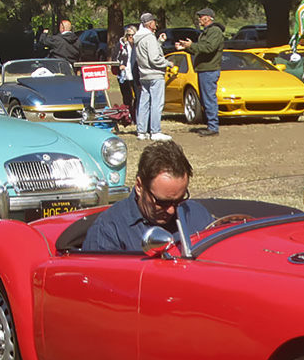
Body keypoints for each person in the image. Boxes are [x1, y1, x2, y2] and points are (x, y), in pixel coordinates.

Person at [83, 140, 213, 253]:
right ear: (140, 186)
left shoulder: (197, 215)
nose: (172, 210)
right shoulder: (109, 230)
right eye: (162, 202)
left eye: (179, 200)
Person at [176, 7, 223, 137]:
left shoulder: (215, 31)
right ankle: (210, 125)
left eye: (201, 17)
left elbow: (209, 48)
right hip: (204, 69)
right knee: (205, 99)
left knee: (209, 99)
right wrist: (186, 48)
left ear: (207, 18)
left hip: (209, 70)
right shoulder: (207, 32)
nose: (199, 19)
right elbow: (200, 50)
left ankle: (213, 127)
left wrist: (191, 45)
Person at [134, 13, 174, 141]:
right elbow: (154, 58)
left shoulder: (139, 38)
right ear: (150, 23)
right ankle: (155, 131)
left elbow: (147, 53)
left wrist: (159, 42)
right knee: (156, 103)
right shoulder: (149, 38)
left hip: (143, 74)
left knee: (144, 103)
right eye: (154, 22)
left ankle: (141, 131)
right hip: (155, 74)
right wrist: (168, 63)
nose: (155, 25)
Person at [115, 25, 139, 124]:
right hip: (124, 75)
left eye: (132, 35)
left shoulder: (138, 46)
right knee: (127, 98)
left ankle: (137, 117)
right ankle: (128, 118)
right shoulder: (121, 45)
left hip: (136, 74)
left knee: (138, 96)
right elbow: (115, 57)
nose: (130, 37)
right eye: (128, 35)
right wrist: (120, 65)